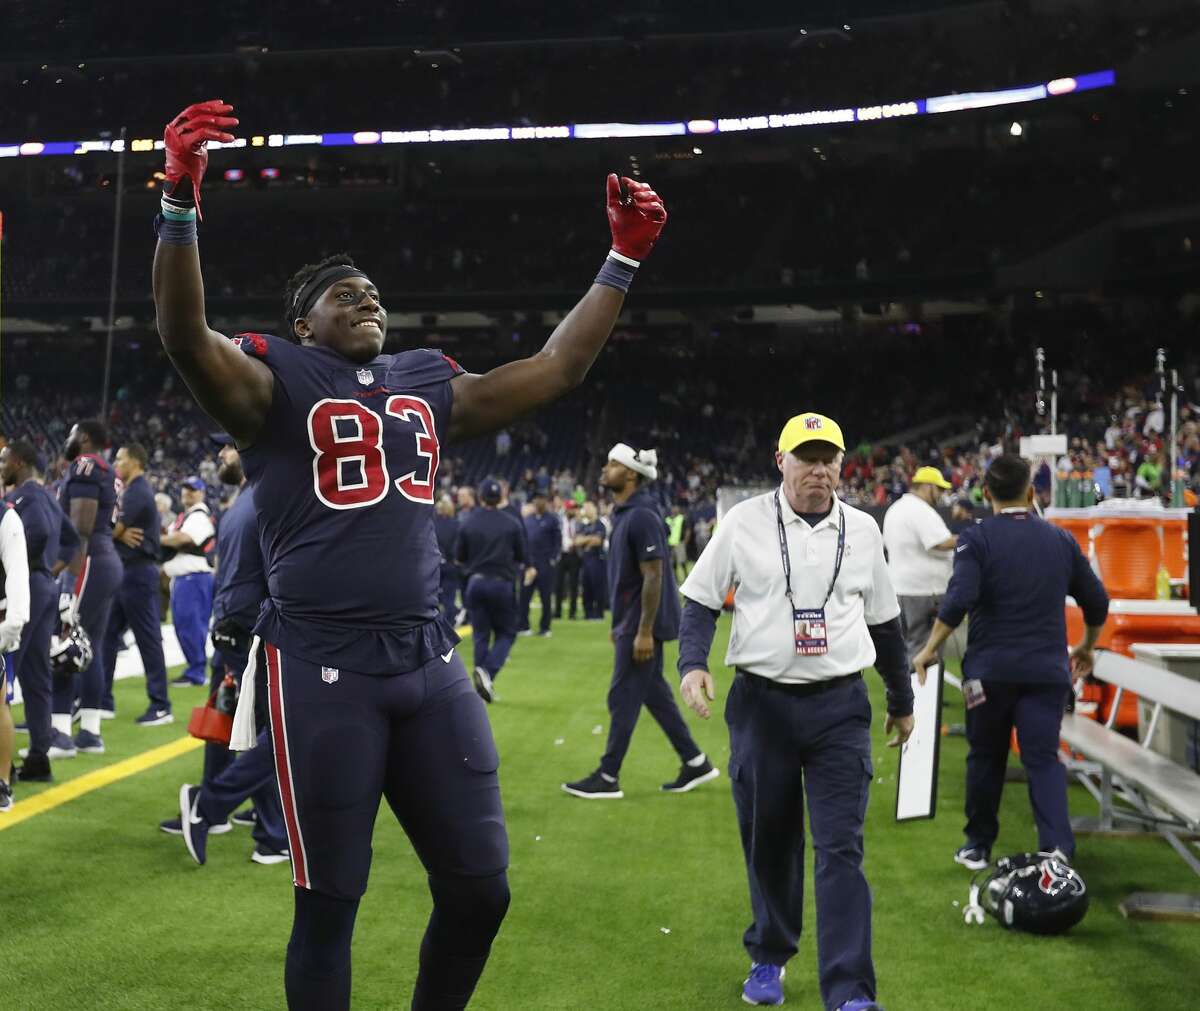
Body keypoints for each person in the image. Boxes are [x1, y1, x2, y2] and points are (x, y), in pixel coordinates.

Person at [152, 98, 665, 1010]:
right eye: (343, 292)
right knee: (328, 908)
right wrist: (182, 205)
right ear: (302, 326)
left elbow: (554, 369)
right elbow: (185, 335)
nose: (368, 297)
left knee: (481, 888)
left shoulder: (422, 383)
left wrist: (621, 258)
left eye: (373, 289)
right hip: (319, 663)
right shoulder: (274, 386)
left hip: (428, 660)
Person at [677, 412, 913, 1011]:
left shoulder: (862, 530)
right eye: (805, 457)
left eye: (828, 458)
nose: (818, 469)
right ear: (780, 462)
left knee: (841, 849)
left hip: (840, 707)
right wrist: (692, 664)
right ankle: (769, 955)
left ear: (841, 465)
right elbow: (701, 600)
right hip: (762, 706)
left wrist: (902, 700)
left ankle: (851, 991)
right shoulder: (743, 521)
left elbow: (886, 623)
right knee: (770, 840)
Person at [912, 453, 1109, 869]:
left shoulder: (975, 539)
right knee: (1042, 759)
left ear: (986, 494)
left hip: (989, 673)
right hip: (1045, 672)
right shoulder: (1060, 540)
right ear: (1032, 492)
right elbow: (1097, 600)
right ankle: (1056, 849)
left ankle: (977, 845)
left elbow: (959, 599)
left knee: (985, 757)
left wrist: (930, 649)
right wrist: (1087, 646)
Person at [563, 444, 717, 799]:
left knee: (622, 695)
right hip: (631, 622)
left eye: (612, 464)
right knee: (653, 693)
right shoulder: (626, 513)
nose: (604, 469)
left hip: (641, 624)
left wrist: (643, 631)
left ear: (631, 473)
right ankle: (695, 762)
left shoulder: (642, 515)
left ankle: (609, 775)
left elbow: (654, 576)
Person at [165, 436, 289, 866]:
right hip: (250, 630)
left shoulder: (249, 500)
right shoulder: (259, 498)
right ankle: (210, 806)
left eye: (230, 446)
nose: (221, 454)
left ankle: (266, 829)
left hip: (236, 627)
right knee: (275, 733)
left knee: (245, 726)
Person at [2, 441, 78, 781]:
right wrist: (50, 569)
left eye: (4, 459)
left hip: (27, 587)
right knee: (36, 673)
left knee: (7, 671)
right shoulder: (48, 494)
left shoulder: (26, 497)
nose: (1, 464)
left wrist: (28, 565)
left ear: (19, 461)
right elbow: (72, 540)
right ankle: (38, 757)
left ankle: (5, 768)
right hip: (44, 584)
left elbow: (42, 533)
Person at [57, 420, 123, 756]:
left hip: (89, 561)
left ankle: (59, 734)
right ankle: (90, 733)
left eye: (71, 434)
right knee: (90, 645)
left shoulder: (84, 466)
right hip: (104, 560)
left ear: (83, 438)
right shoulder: (106, 469)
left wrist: (68, 582)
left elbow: (80, 529)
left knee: (62, 641)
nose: (66, 440)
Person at [104, 442, 172, 725]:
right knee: (107, 636)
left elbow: (111, 529)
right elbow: (116, 531)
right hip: (126, 572)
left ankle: (161, 705)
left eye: (120, 459)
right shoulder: (131, 490)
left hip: (138, 572)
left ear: (135, 462)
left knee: (147, 638)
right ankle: (101, 700)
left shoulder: (138, 491)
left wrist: (115, 534)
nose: (116, 463)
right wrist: (117, 534)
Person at [456, 478, 529, 703]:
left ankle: (480, 688)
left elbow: (459, 557)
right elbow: (522, 556)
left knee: (480, 635)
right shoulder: (512, 522)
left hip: (475, 583)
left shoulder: (469, 521)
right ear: (501, 497)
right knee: (507, 633)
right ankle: (487, 672)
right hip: (501, 583)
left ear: (480, 497)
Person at [881, 465, 957, 667]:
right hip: (924, 592)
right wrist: (971, 538)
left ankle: (907, 696)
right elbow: (939, 542)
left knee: (908, 648)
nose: (941, 494)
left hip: (900, 589)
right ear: (926, 486)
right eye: (938, 488)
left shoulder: (895, 509)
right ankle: (921, 698)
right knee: (925, 651)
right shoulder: (921, 510)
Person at [161, 476, 216, 688]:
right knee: (184, 625)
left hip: (194, 578)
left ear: (201, 493)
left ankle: (197, 673)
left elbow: (184, 539)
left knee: (192, 625)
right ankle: (194, 669)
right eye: (185, 488)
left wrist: (158, 540)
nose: (187, 492)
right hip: (184, 579)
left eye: (193, 489)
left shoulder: (199, 516)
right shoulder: (187, 516)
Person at [0, 501, 31, 810]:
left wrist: (11, 627)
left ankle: (2, 781)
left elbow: (18, 575)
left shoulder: (7, 518)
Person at [518, 489, 560, 637]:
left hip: (545, 563)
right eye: (536, 499)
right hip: (529, 564)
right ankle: (523, 626)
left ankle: (545, 627)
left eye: (541, 498)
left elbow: (557, 541)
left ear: (546, 501)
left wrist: (553, 558)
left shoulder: (552, 519)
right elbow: (522, 541)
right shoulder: (527, 520)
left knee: (545, 597)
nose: (538, 502)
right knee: (524, 596)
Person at [576, 500, 607, 621]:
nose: (586, 509)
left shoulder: (600, 524)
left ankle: (599, 613)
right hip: (586, 559)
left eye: (588, 507)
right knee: (586, 586)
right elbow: (577, 541)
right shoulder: (584, 525)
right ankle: (588, 613)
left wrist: (585, 540)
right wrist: (589, 539)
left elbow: (598, 541)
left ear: (594, 509)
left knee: (597, 586)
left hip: (597, 559)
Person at [433, 496, 462, 624]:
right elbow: (458, 545)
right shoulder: (456, 524)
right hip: (451, 565)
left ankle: (439, 623)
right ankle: (449, 622)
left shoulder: (432, 524)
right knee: (449, 597)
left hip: (435, 565)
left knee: (435, 597)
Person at [553, 500, 581, 620]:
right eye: (571, 508)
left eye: (575, 508)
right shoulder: (559, 520)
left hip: (574, 554)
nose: (573, 510)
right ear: (566, 509)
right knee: (558, 584)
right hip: (561, 554)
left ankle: (572, 612)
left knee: (574, 585)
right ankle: (557, 611)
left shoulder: (579, 522)